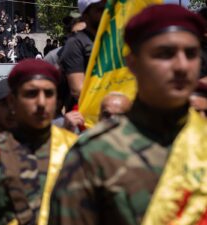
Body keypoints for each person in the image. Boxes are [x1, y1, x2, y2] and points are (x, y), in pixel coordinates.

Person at [49, 4, 205, 225]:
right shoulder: (94, 155)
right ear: (132, 63)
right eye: (165, 54)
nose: (181, 66)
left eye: (191, 54)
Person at [0, 59, 78, 225]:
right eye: (31, 94)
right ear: (13, 101)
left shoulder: (76, 149)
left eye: (49, 93)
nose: (41, 103)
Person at [59, 0, 105, 107]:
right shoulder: (75, 43)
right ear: (85, 16)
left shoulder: (111, 39)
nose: (105, 13)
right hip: (87, 116)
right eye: (99, 9)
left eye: (106, 8)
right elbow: (78, 90)